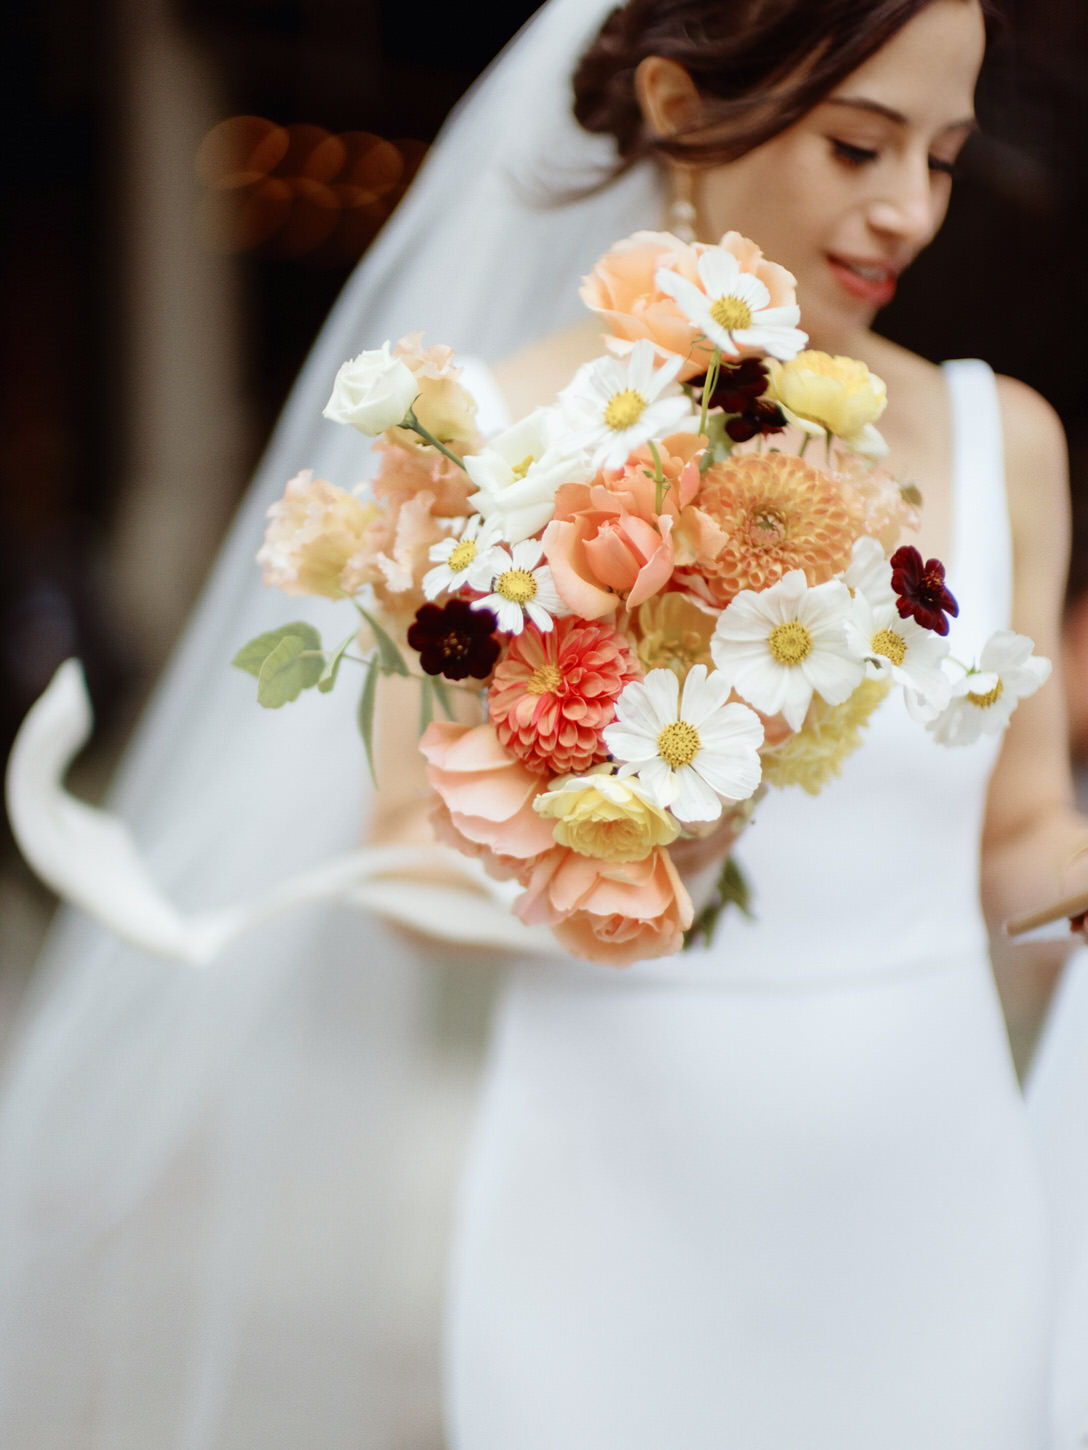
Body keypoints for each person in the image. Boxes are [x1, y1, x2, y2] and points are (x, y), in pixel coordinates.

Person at [1, 0, 1085, 1446]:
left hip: (931, 1207)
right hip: (613, 1213)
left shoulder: (999, 437)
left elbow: (1018, 840)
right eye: (858, 144)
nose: (908, 212)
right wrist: (612, 855)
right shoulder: (491, 447)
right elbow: (404, 856)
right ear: (681, 107)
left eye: (943, 159)